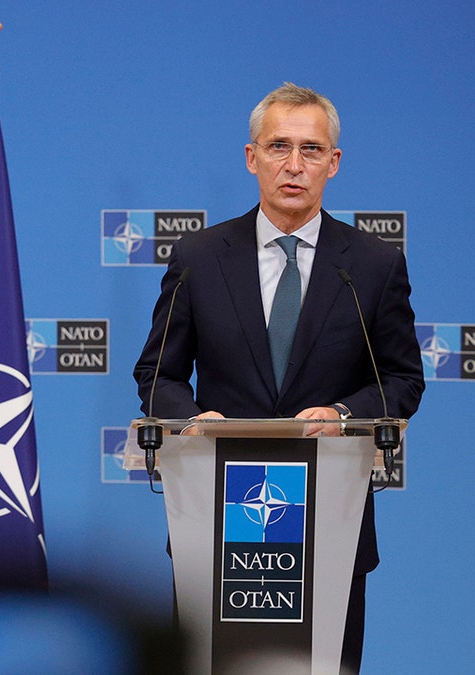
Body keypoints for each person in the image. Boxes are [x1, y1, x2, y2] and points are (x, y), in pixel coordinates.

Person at [133, 83, 424, 671]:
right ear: (252, 157)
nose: (294, 165)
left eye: (311, 150)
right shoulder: (199, 257)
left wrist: (344, 415)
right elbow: (157, 372)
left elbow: (402, 378)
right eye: (279, 146)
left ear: (333, 163)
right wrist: (191, 419)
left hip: (329, 520)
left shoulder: (373, 265)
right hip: (218, 519)